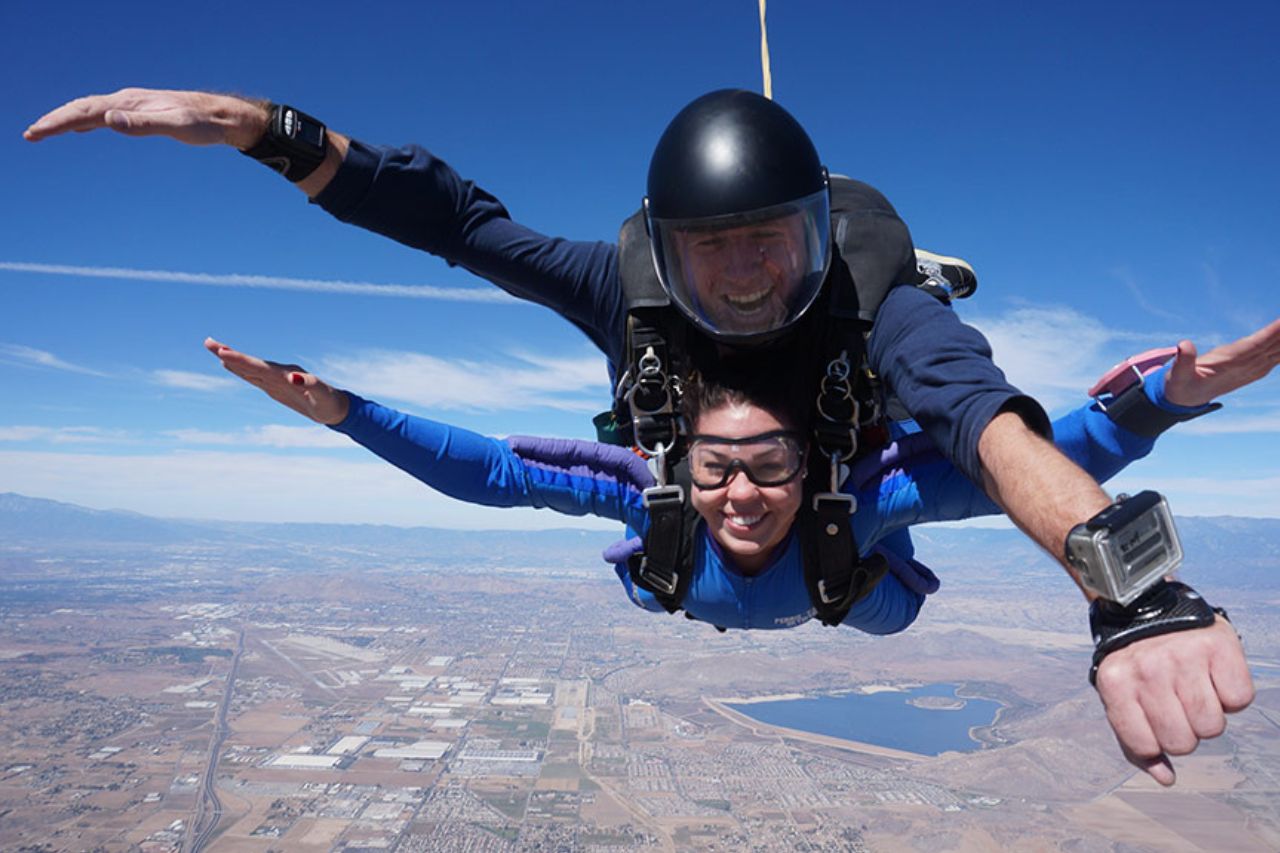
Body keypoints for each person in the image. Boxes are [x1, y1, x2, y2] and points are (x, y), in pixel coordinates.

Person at [27, 88, 1265, 785]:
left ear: (813, 240)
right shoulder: (635, 331)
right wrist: (271, 134)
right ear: (662, 254)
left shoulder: (874, 320)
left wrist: (1133, 594)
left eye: (766, 248)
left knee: (885, 515)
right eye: (707, 255)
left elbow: (990, 437)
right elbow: (460, 228)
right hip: (767, 542)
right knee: (722, 530)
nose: (736, 285)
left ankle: (838, 417)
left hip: (843, 538)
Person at [205, 318, 1273, 649]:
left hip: (854, 591)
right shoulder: (650, 497)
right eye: (716, 468)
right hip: (747, 584)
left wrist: (1169, 395)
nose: (742, 494)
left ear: (808, 468)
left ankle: (908, 311)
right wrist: (339, 409)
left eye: (770, 468)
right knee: (670, 549)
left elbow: (1036, 467)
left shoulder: (864, 499)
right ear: (684, 464)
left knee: (877, 573)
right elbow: (490, 471)